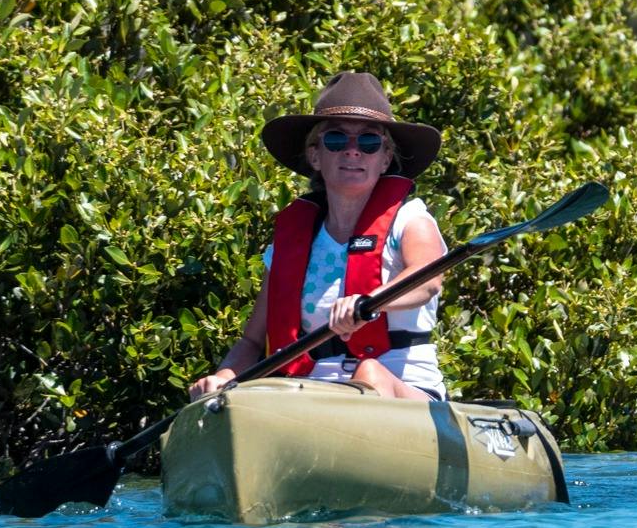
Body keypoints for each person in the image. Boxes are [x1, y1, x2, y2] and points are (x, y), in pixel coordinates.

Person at [189, 72, 449, 402]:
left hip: (402, 390)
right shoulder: (291, 240)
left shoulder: (410, 219)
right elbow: (253, 341)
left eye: (369, 142)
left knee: (369, 372)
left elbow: (429, 281)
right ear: (315, 155)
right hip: (314, 397)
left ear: (385, 159)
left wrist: (368, 302)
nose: (353, 151)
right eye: (336, 140)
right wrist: (223, 376)